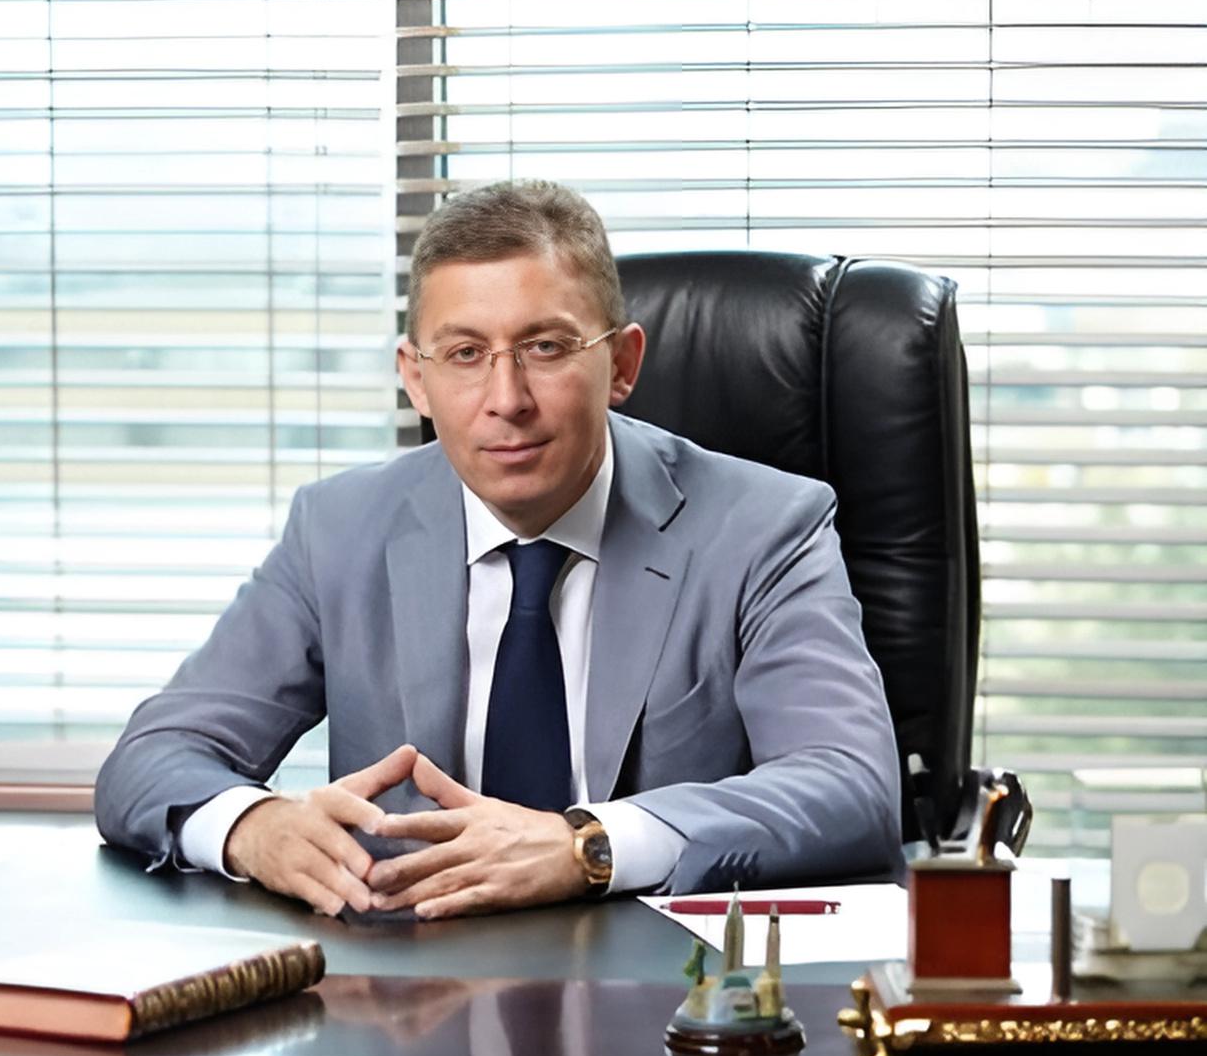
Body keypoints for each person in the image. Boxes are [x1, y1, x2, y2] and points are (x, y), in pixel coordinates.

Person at [94, 179, 900, 919]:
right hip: (408, 1009)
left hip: (661, 1009)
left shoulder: (764, 528)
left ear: (620, 364)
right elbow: (153, 760)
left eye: (546, 348)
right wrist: (254, 825)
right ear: (415, 378)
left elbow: (849, 789)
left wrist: (587, 843)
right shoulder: (339, 528)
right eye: (465, 355)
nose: (504, 401)